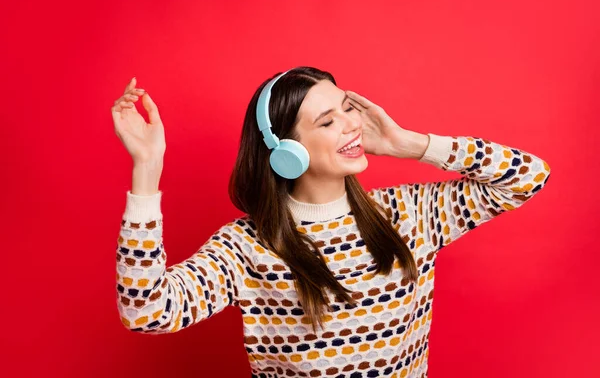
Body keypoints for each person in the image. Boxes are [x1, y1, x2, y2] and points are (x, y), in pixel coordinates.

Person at [111, 66, 551, 378]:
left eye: (347, 108)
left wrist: (409, 144)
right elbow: (146, 311)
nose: (352, 125)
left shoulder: (409, 214)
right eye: (327, 120)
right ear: (287, 151)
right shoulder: (245, 247)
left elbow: (528, 177)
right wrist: (147, 170)